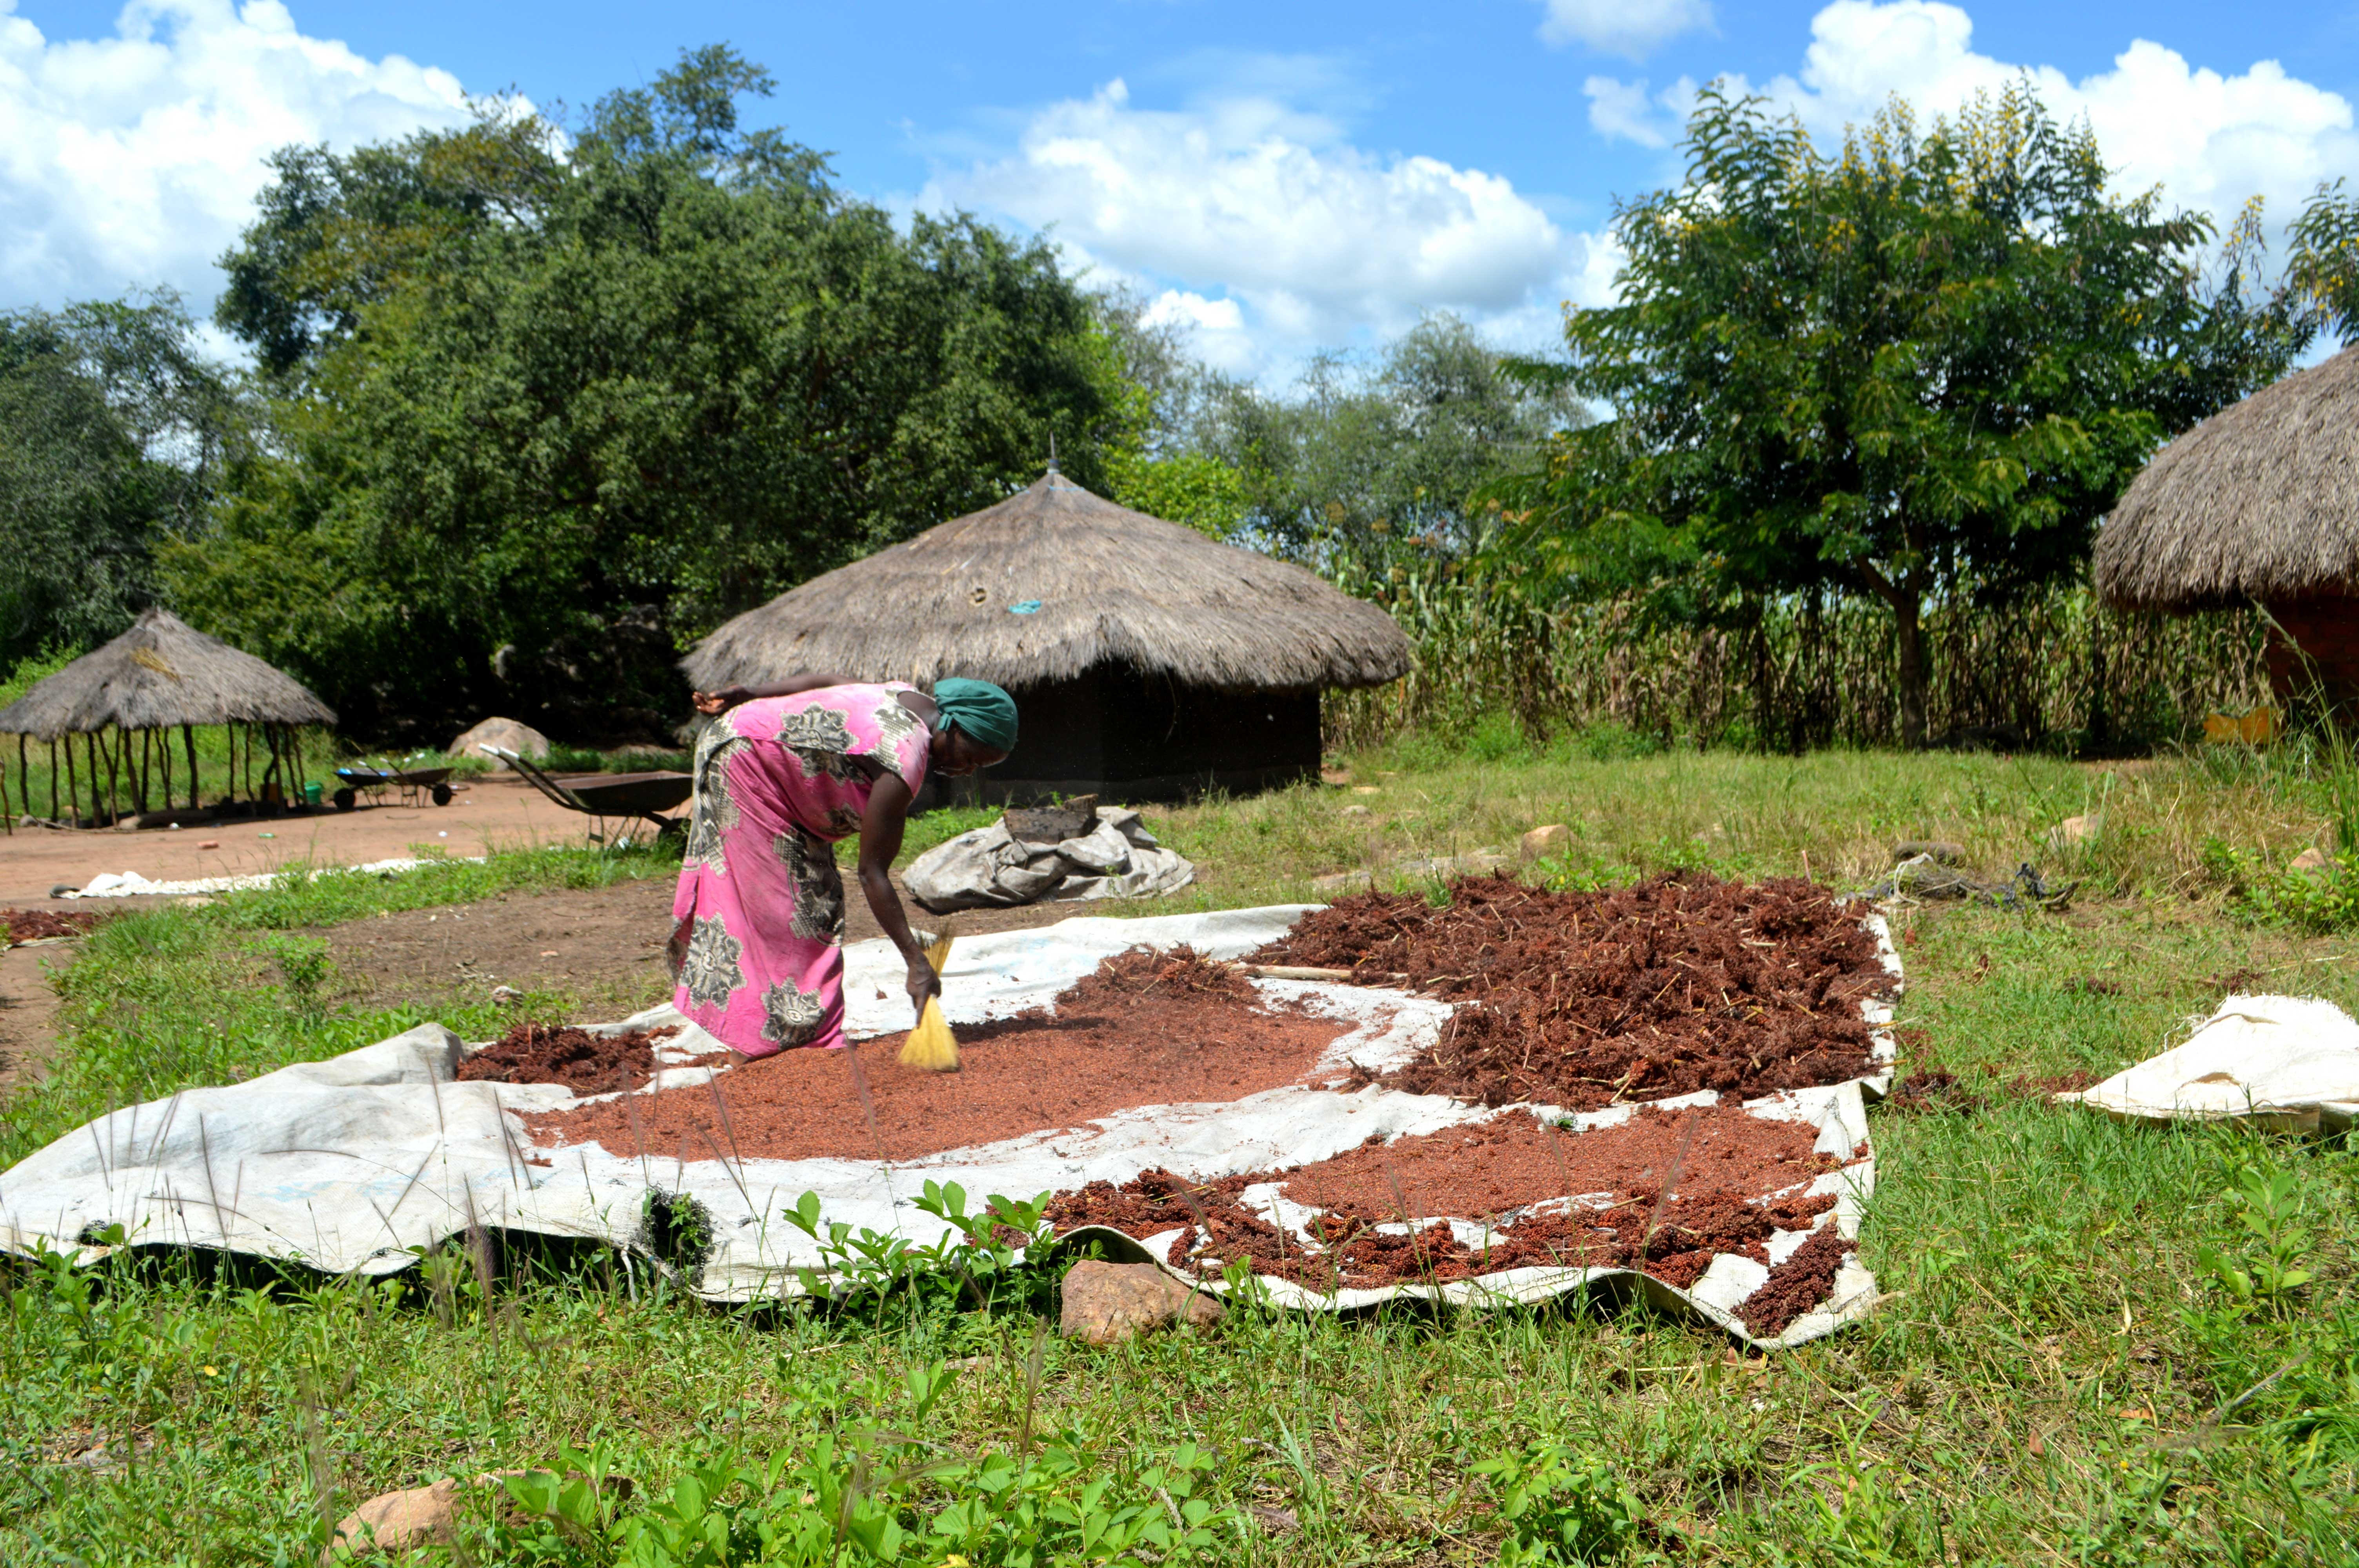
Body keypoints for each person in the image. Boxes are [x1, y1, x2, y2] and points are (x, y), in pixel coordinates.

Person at [669, 675, 1016, 1057]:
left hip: (769, 765)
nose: (966, 771)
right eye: (970, 757)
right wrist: (916, 961)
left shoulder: (908, 697)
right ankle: (779, 1047)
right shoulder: (905, 754)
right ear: (954, 726)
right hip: (745, 762)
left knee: (815, 901)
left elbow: (831, 682)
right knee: (792, 909)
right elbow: (872, 872)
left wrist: (752, 691)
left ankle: (797, 1042)